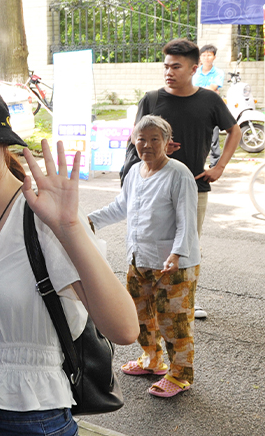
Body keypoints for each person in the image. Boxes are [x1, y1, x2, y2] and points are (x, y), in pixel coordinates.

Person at [0, 80, 139, 436]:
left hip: (34, 419)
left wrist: (70, 228)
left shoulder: (44, 219)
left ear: (2, 143)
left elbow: (124, 329)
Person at [89, 115, 200, 397]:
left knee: (173, 321)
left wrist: (177, 253)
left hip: (173, 263)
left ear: (167, 142)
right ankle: (152, 360)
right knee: (139, 316)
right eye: (141, 139)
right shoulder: (135, 172)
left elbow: (187, 219)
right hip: (139, 259)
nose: (147, 145)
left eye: (154, 139)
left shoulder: (178, 174)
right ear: (133, 141)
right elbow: (120, 207)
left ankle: (180, 375)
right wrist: (88, 220)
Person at [135, 38, 238, 319]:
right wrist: (157, 147)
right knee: (153, 241)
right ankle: (153, 297)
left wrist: (219, 167)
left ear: (194, 69)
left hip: (194, 186)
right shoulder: (152, 99)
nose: (168, 72)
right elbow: (135, 137)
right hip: (155, 186)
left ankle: (186, 299)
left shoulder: (209, 100)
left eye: (176, 67)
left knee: (187, 245)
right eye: (166, 66)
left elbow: (235, 131)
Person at [194, 44, 225, 168]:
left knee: (214, 137)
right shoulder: (194, 71)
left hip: (212, 108)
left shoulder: (218, 73)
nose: (206, 58)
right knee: (196, 135)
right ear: (200, 57)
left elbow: (213, 88)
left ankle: (215, 164)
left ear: (214, 57)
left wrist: (198, 90)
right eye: (203, 55)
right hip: (195, 106)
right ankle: (196, 163)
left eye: (209, 55)